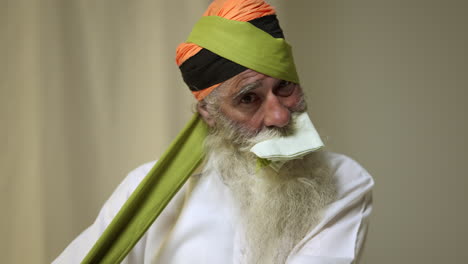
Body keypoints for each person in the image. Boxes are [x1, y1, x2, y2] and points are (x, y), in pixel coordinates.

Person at [53, 0, 374, 263]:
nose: (279, 115)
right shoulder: (142, 189)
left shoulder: (344, 181)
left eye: (285, 86)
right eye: (248, 98)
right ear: (209, 114)